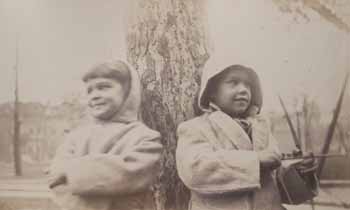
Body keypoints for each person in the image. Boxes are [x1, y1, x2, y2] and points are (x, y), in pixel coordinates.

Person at [176, 63, 317, 210]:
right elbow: (195, 170)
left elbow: (275, 184)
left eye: (248, 85)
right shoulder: (196, 128)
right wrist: (256, 161)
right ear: (211, 91)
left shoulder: (262, 129)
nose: (243, 90)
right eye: (233, 82)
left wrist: (299, 173)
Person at [48, 60, 163, 210]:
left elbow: (130, 173)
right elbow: (56, 176)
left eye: (103, 87)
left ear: (128, 91)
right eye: (89, 90)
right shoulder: (76, 137)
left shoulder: (144, 137)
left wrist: (73, 172)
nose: (95, 95)